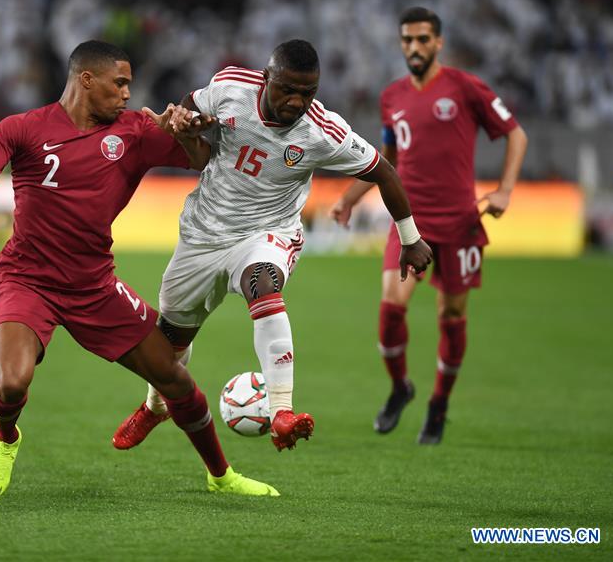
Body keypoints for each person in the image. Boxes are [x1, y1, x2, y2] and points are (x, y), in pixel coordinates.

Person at [0, 40, 278, 497]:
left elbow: (200, 160)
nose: (126, 94)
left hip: (94, 285)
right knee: (12, 382)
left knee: (174, 377)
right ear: (85, 79)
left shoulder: (135, 130)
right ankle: (6, 437)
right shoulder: (22, 128)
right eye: (119, 84)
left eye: (129, 86)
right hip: (27, 279)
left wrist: (183, 130)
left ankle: (221, 476)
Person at [112, 39, 433, 452]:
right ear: (266, 79)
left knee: (262, 283)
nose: (297, 101)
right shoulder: (230, 87)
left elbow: (384, 172)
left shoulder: (322, 132)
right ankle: (156, 407)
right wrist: (186, 121)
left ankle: (282, 410)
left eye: (308, 92)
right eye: (287, 89)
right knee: (170, 341)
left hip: (268, 233)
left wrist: (410, 238)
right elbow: (191, 104)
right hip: (203, 234)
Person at [330, 7, 529, 445]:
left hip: (460, 222)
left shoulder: (465, 87)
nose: (414, 48)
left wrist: (506, 189)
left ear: (439, 42)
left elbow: (516, 133)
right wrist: (348, 198)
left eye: (422, 40)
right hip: (410, 223)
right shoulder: (392, 96)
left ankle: (439, 403)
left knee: (451, 316)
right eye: (407, 40)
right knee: (389, 310)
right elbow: (388, 159)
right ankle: (401, 387)